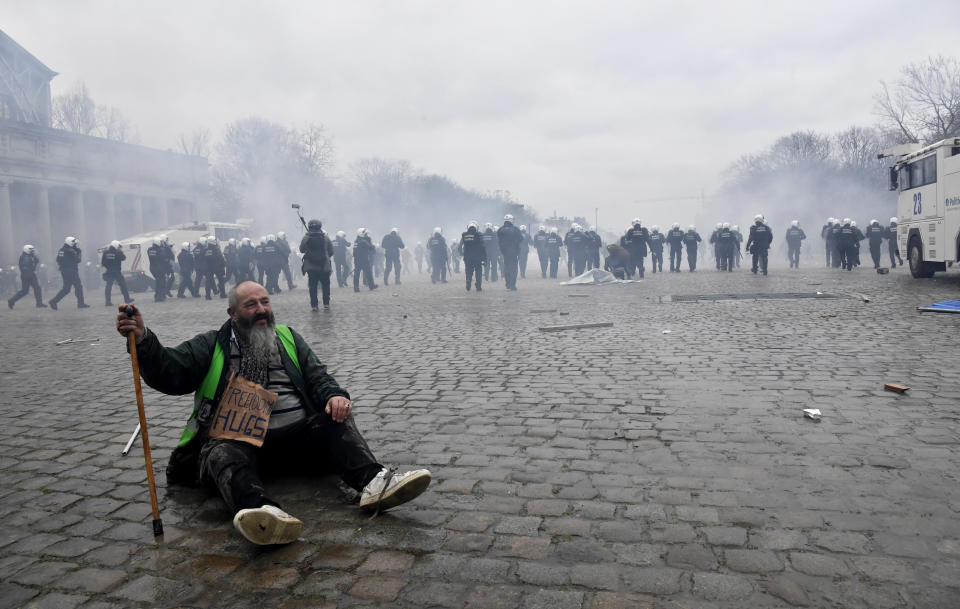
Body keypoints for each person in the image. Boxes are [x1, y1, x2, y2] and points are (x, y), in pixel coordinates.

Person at [115, 282, 432, 545]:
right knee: (220, 451)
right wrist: (143, 340)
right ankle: (260, 512)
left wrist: (335, 395)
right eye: (250, 305)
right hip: (240, 443)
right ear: (233, 314)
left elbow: (317, 376)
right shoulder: (212, 344)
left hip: (297, 442)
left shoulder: (289, 338)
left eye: (264, 302)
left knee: (335, 420)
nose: (261, 310)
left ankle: (374, 482)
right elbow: (171, 372)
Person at [300, 219, 335, 310]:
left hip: (311, 266)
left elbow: (302, 250)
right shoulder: (325, 237)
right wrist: (326, 257)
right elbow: (331, 251)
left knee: (313, 286)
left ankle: (314, 305)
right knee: (325, 285)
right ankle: (326, 303)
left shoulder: (306, 237)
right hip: (324, 265)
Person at [49, 236, 89, 309]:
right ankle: (81, 303)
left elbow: (58, 259)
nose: (75, 245)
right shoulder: (70, 250)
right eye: (74, 244)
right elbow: (78, 260)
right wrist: (79, 252)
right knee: (78, 287)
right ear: (71, 243)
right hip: (71, 271)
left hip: (65, 271)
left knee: (66, 289)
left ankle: (53, 301)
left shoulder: (62, 249)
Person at [7, 244, 45, 309]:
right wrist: (35, 262)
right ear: (27, 250)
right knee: (35, 289)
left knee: (26, 290)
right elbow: (29, 267)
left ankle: (11, 300)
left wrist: (35, 260)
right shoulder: (26, 257)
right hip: (28, 275)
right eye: (31, 250)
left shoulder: (27, 256)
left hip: (27, 275)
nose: (32, 251)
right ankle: (39, 303)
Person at [102, 240, 134, 306]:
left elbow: (103, 263)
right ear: (116, 245)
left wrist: (109, 267)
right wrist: (121, 251)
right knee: (123, 285)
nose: (119, 248)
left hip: (109, 272)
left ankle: (107, 302)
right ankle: (127, 299)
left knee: (108, 287)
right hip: (117, 272)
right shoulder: (118, 252)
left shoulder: (105, 252)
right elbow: (124, 258)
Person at [497, 214, 523, 291]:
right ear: (511, 220)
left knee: (506, 267)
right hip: (514, 251)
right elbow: (521, 239)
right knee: (514, 268)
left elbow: (499, 240)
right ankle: (512, 285)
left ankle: (507, 283)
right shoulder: (516, 229)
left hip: (504, 252)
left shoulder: (500, 230)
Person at [459, 221, 486, 292]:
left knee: (468, 271)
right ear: (476, 227)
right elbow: (483, 247)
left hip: (467, 257)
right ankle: (478, 286)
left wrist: (462, 254)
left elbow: (459, 246)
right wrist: (484, 258)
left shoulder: (464, 235)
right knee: (478, 271)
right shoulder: (479, 234)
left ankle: (468, 281)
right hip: (477, 257)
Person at [147, 236, 171, 302]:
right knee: (161, 283)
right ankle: (160, 297)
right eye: (160, 242)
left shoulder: (149, 249)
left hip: (152, 268)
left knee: (158, 282)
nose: (161, 243)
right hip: (159, 268)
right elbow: (163, 258)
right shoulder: (160, 250)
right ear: (157, 242)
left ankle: (157, 296)